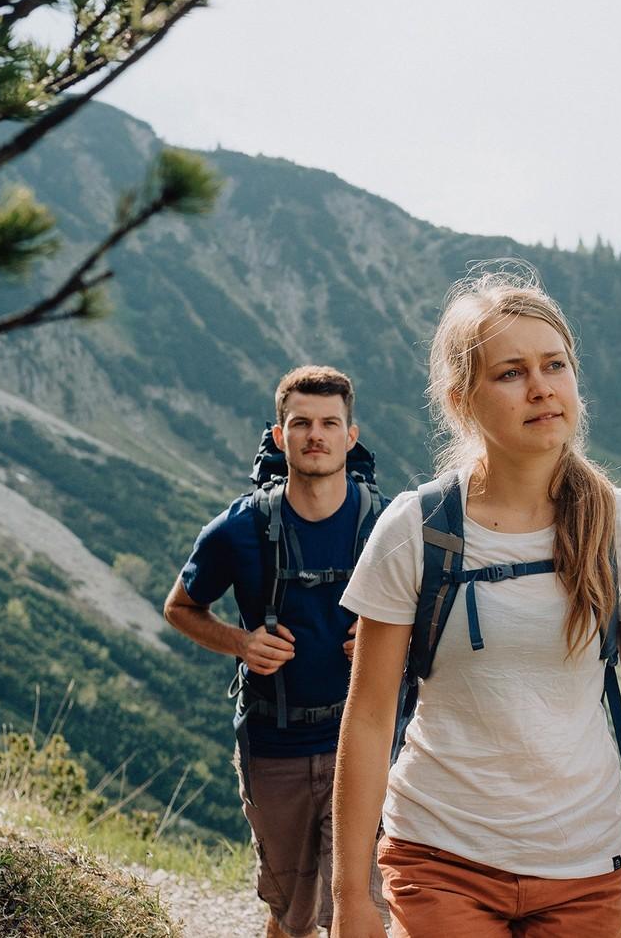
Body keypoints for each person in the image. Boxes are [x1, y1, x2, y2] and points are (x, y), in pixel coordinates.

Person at [328, 273, 621, 938]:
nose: (541, 387)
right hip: (440, 850)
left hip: (587, 864)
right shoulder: (414, 529)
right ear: (462, 400)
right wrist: (348, 893)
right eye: (511, 373)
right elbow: (367, 716)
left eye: (554, 365)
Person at [165, 365, 387, 938]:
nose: (316, 435)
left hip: (362, 745)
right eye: (301, 423)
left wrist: (392, 641)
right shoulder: (238, 529)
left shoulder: (386, 526)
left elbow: (433, 616)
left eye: (329, 423)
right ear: (280, 435)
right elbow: (180, 607)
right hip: (274, 747)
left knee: (360, 909)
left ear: (351, 436)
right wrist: (241, 642)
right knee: (291, 916)